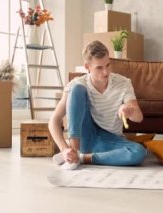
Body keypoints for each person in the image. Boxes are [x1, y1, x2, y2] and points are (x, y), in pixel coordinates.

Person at [49, 41, 147, 170]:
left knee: (138, 152)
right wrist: (64, 149)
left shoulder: (123, 83)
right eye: (99, 67)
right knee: (77, 89)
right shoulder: (78, 83)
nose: (106, 72)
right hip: (86, 135)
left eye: (108, 65)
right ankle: (73, 152)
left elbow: (138, 117)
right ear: (87, 67)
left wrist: (129, 110)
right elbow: (54, 120)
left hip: (110, 140)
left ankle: (82, 158)